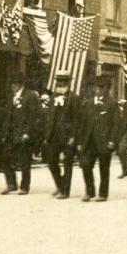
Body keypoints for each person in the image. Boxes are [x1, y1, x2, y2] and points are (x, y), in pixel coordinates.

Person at [76, 80, 119, 202]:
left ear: (106, 89)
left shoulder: (112, 103)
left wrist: (112, 140)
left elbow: (116, 124)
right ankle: (90, 192)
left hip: (104, 141)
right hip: (89, 141)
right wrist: (79, 142)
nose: (98, 90)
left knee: (104, 168)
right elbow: (82, 123)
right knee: (85, 164)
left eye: (102, 87)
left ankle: (103, 194)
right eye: (97, 87)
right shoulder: (88, 103)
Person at [0, 77, 39, 195]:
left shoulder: (30, 95)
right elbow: (8, 116)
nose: (13, 85)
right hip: (11, 134)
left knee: (24, 161)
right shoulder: (10, 96)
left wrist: (27, 132)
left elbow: (33, 116)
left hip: (23, 134)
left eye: (15, 83)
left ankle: (24, 186)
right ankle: (11, 184)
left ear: (21, 84)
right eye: (12, 83)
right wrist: (5, 133)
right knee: (5, 158)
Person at [44, 71, 79, 199]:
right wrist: (47, 135)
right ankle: (60, 185)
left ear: (68, 83)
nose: (60, 84)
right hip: (54, 136)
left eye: (64, 82)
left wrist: (73, 137)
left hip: (68, 136)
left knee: (67, 163)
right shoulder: (53, 97)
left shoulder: (74, 98)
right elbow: (50, 117)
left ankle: (65, 191)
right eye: (59, 81)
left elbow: (76, 119)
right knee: (51, 161)